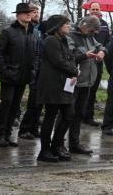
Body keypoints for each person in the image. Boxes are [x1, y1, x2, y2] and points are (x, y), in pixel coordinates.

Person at [35, 14, 82, 164]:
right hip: (52, 84)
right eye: (65, 24)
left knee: (69, 114)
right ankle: (45, 150)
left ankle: (56, 146)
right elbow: (58, 61)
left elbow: (70, 58)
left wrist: (74, 71)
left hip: (63, 84)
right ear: (57, 26)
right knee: (50, 116)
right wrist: (74, 71)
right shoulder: (51, 40)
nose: (68, 26)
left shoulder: (63, 40)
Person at [0, 2, 38, 147]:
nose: (29, 14)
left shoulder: (33, 32)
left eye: (30, 12)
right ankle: (0, 135)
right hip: (10, 75)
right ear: (18, 15)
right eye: (26, 12)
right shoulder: (8, 31)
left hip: (24, 76)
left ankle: (7, 134)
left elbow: (36, 53)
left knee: (15, 106)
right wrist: (4, 71)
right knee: (6, 104)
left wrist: (33, 69)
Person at [67, 16, 105, 155]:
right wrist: (85, 55)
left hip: (87, 82)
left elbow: (100, 45)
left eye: (94, 32)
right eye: (91, 31)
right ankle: (58, 143)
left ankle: (74, 144)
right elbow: (69, 55)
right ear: (84, 26)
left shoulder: (90, 37)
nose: (92, 33)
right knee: (67, 114)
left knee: (79, 114)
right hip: (73, 82)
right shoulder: (71, 36)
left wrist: (102, 51)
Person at [17, 3, 44, 140]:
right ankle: (24, 128)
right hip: (25, 69)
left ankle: (34, 127)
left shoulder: (39, 29)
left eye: (37, 12)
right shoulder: (26, 29)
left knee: (38, 101)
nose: (36, 14)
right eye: (33, 11)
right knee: (32, 102)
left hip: (37, 68)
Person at [82, 3, 110, 127]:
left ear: (100, 10)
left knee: (93, 89)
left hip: (98, 61)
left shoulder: (104, 25)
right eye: (92, 9)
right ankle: (77, 114)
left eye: (97, 9)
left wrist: (103, 51)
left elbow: (108, 41)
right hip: (84, 60)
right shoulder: (83, 22)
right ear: (89, 10)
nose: (94, 11)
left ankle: (89, 116)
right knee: (82, 89)